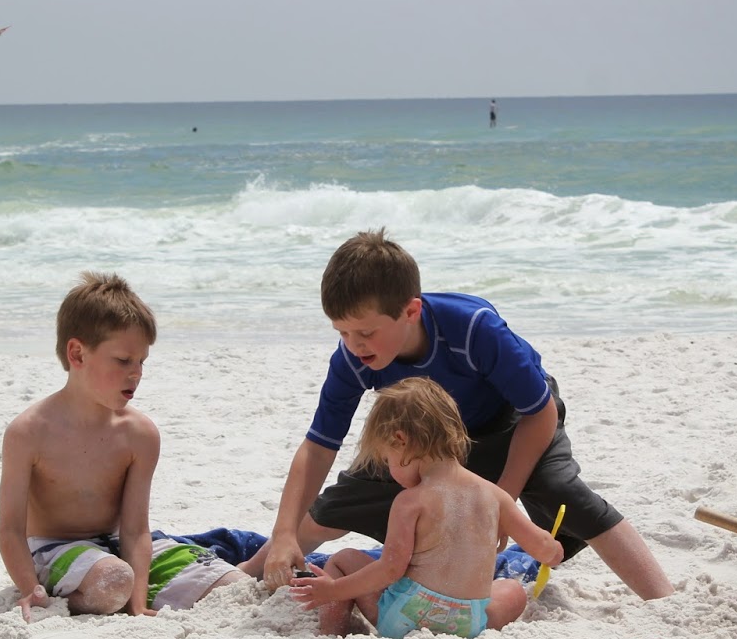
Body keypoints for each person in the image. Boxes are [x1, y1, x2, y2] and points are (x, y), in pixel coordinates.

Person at [241, 228, 673, 600]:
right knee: (330, 509)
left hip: (511, 425)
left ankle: (662, 598)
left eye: (365, 332)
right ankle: (246, 575)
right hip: (427, 437)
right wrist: (283, 533)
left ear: (411, 311)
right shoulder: (353, 358)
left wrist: (498, 503)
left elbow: (540, 412)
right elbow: (318, 447)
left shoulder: (473, 328)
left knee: (564, 491)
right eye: (342, 332)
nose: (354, 344)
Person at [0, 272, 243, 621]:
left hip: (120, 546)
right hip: (55, 549)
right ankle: (79, 597)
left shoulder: (140, 434)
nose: (137, 372)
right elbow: (10, 529)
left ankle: (138, 593)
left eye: (142, 361)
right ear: (77, 354)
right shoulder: (28, 432)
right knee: (114, 580)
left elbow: (135, 529)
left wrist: (137, 604)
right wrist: (29, 589)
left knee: (233, 585)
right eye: (124, 360)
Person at [289, 378, 563, 636]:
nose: (389, 470)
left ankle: (333, 631)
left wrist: (333, 590)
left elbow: (390, 569)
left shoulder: (411, 501)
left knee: (344, 559)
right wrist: (552, 549)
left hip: (406, 618)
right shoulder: (495, 496)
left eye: (387, 460)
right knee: (512, 590)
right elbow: (544, 549)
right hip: (468, 623)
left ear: (401, 441)